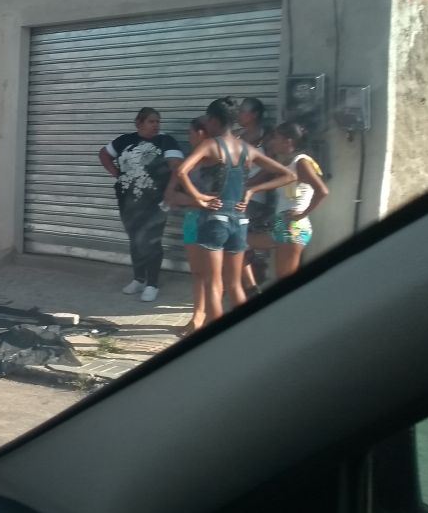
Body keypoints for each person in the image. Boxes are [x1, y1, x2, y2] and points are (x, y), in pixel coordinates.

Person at [171, 97, 295, 325]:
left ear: (213, 120)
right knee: (235, 283)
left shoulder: (211, 145)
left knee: (213, 282)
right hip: (240, 220)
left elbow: (182, 172)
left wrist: (198, 197)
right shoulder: (247, 148)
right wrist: (251, 190)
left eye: (208, 119)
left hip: (215, 219)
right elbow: (289, 175)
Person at [98, 107, 184, 302]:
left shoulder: (165, 141)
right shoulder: (124, 140)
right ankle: (139, 278)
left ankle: (152, 284)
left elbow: (177, 168)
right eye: (151, 121)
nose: (156, 125)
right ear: (139, 123)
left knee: (152, 241)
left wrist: (170, 193)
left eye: (157, 121)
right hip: (127, 201)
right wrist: (116, 174)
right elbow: (103, 154)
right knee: (135, 239)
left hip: (155, 202)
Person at [163, 117, 211, 335]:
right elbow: (170, 195)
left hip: (216, 221)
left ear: (201, 134)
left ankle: (211, 313)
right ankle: (198, 314)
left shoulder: (218, 162)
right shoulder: (186, 163)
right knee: (198, 272)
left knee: (215, 273)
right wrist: (198, 200)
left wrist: (193, 198)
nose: (188, 138)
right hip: (194, 219)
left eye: (191, 133)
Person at [267, 122, 329, 280]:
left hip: (293, 225)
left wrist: (302, 214)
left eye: (276, 137)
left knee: (285, 277)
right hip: (283, 222)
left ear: (288, 141)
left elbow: (322, 191)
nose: (272, 141)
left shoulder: (301, 162)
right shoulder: (285, 163)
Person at [235, 97, 273, 292]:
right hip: (238, 196)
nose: (239, 114)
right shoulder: (239, 137)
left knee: (242, 239)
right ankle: (248, 284)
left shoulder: (267, 136)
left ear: (254, 114)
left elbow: (270, 168)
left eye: (243, 111)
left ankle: (250, 283)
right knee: (241, 239)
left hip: (255, 198)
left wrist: (248, 185)